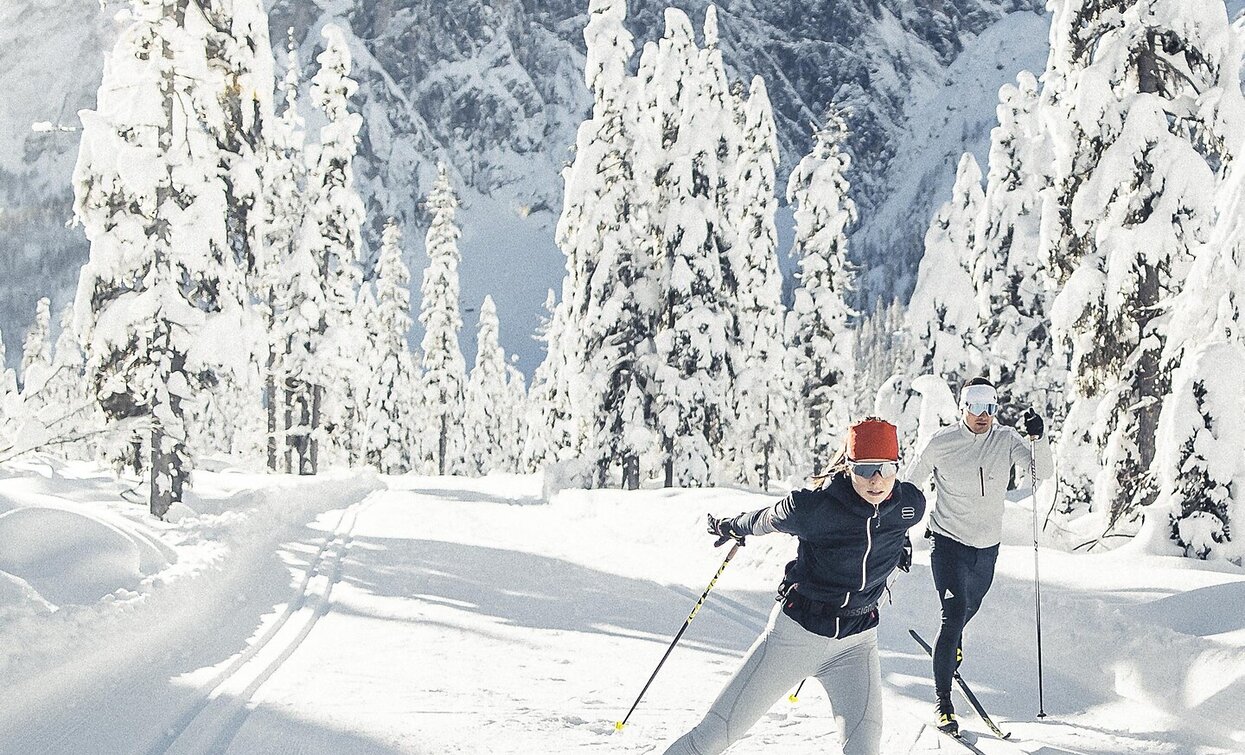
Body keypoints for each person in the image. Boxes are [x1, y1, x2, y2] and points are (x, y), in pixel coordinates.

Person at [661, 418, 926, 755]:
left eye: (885, 468)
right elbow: (765, 519)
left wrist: (900, 546)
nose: (876, 480)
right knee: (713, 737)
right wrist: (733, 526)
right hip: (796, 636)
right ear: (848, 467)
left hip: (856, 645)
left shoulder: (910, 505)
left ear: (897, 468)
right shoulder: (813, 509)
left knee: (864, 750)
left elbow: (893, 526)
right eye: (864, 469)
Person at [903, 377, 1053, 734]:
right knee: (953, 615)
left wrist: (1039, 438)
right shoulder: (942, 443)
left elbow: (1042, 472)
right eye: (975, 406)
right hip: (948, 542)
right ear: (963, 407)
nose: (983, 415)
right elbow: (909, 488)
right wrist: (899, 535)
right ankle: (943, 703)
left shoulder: (1006, 439)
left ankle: (952, 644)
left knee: (970, 607)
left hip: (987, 547)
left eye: (990, 407)